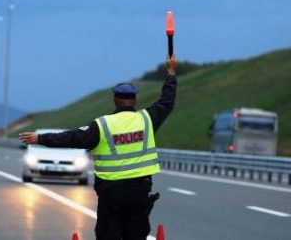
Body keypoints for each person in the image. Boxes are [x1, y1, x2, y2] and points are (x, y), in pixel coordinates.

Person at [19, 54, 177, 240]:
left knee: (107, 235)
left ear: (115, 100)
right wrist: (171, 73)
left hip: (111, 193)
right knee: (136, 235)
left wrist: (40, 138)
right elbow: (167, 101)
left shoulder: (102, 126)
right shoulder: (147, 119)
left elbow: (71, 138)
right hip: (139, 191)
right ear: (134, 100)